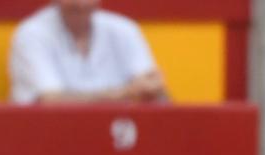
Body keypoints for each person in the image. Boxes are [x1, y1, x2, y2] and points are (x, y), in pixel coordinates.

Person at [9, 0, 168, 105]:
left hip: (120, 138)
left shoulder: (124, 29)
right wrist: (126, 93)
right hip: (52, 138)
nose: (81, 4)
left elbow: (157, 94)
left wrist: (154, 89)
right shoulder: (32, 33)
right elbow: (49, 102)